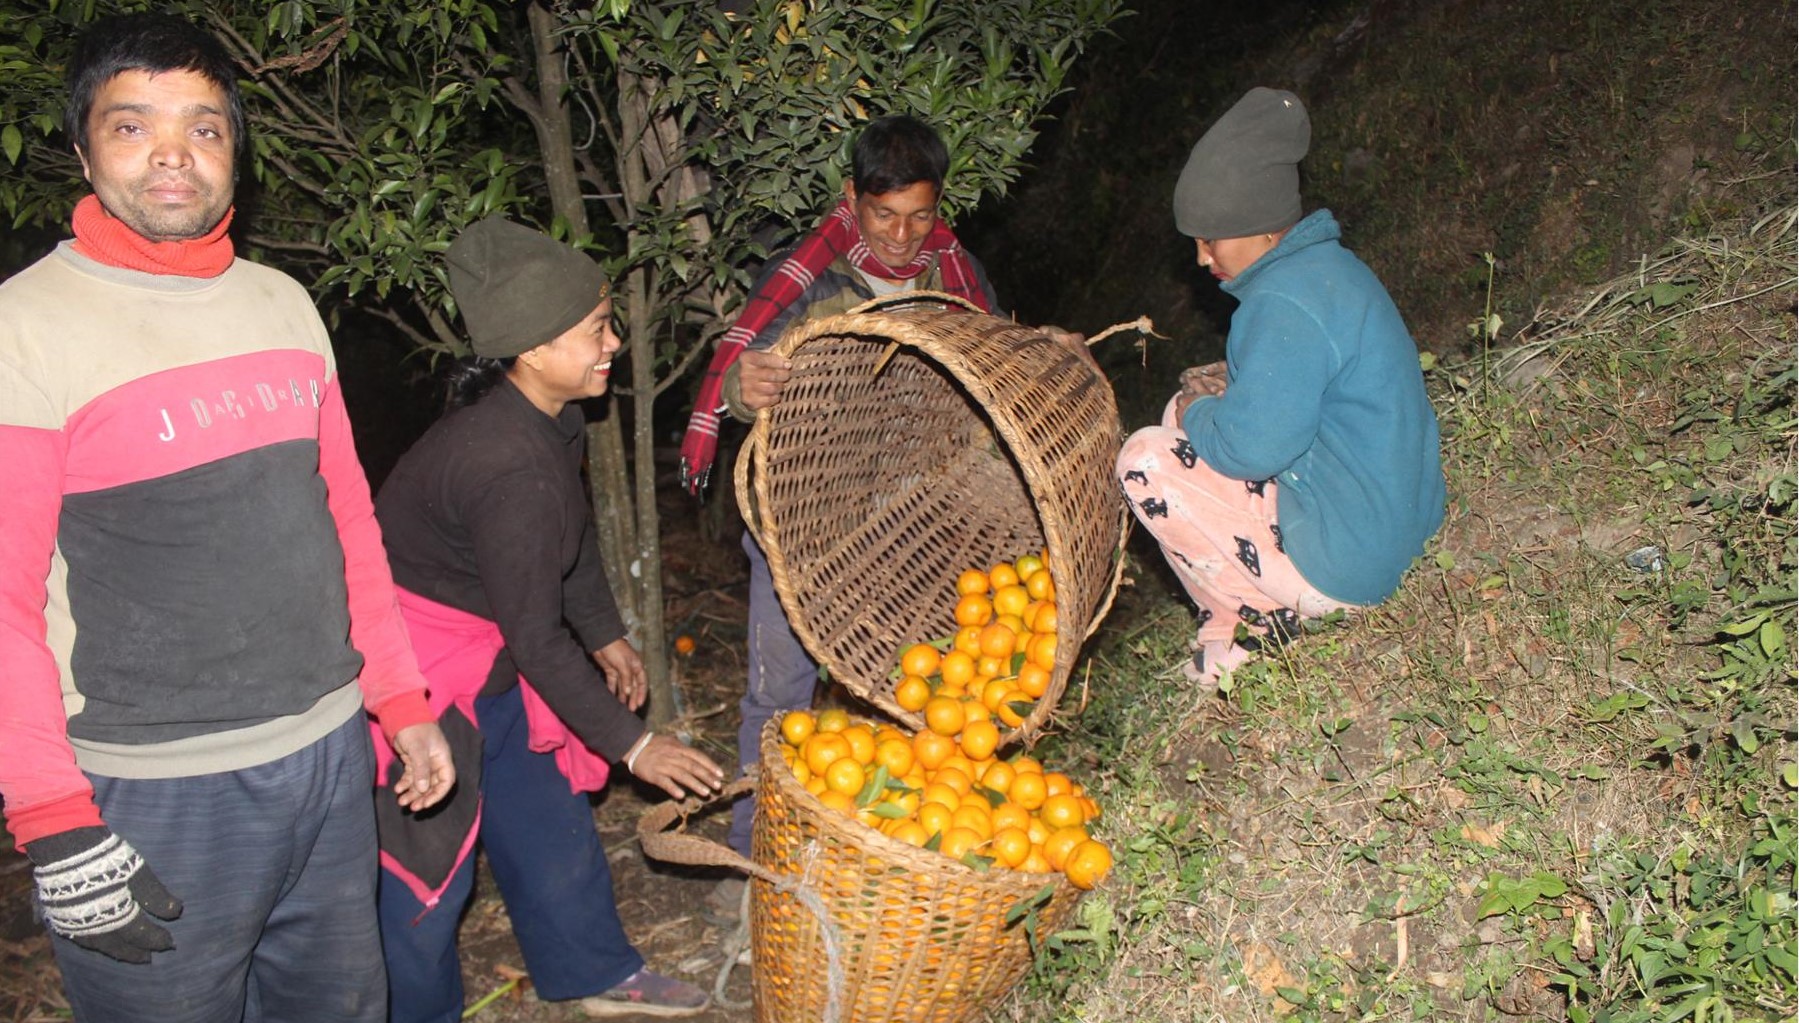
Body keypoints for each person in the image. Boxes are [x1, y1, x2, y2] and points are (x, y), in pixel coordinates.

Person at [0, 13, 455, 1021]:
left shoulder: (283, 305)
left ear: (236, 154)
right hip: (155, 789)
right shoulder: (24, 328)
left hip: (329, 759)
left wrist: (401, 700)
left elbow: (347, 525)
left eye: (204, 127)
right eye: (133, 126)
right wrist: (52, 819)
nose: (173, 154)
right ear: (83, 149)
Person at [676, 114, 1086, 909]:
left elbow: (990, 371)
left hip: (907, 525)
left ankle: (899, 859)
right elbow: (740, 375)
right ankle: (748, 866)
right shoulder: (806, 278)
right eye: (881, 216)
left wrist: (1042, 351)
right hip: (799, 528)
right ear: (850, 199)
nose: (900, 238)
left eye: (919, 217)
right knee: (779, 693)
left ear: (939, 208)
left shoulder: (955, 276)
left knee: (918, 694)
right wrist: (740, 391)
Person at [372, 216, 726, 1021]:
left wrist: (603, 629)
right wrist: (635, 743)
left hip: (490, 655)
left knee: (546, 822)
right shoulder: (506, 465)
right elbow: (534, 636)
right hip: (424, 681)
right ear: (531, 349)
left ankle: (592, 970)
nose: (613, 343)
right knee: (427, 879)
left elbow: (570, 545)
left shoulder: (549, 416)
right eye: (595, 329)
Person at [1117, 87, 1446, 685]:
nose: (1199, 258)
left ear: (1261, 227)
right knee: (1180, 414)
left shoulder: (1277, 306)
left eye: (1209, 239)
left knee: (1144, 459)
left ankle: (1262, 621)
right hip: (1399, 531)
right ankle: (1237, 607)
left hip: (1352, 570)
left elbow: (1251, 451)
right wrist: (1204, 406)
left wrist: (1198, 413)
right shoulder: (1329, 270)